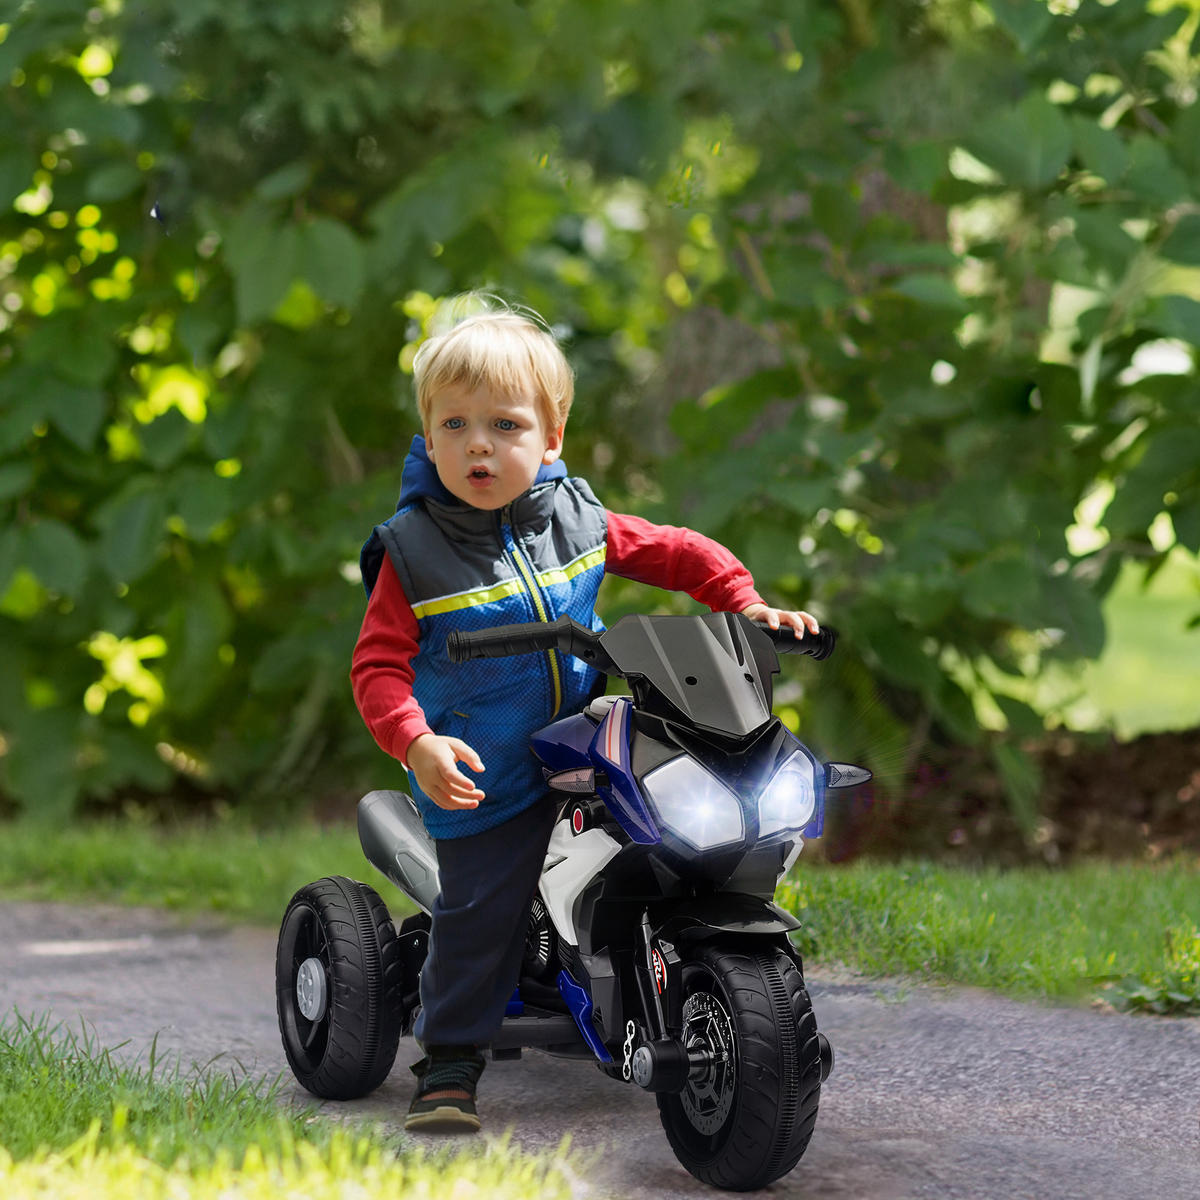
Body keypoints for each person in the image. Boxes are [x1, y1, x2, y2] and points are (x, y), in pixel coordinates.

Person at [351, 296, 819, 1133]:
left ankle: (655, 971)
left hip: (587, 739)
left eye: (504, 424)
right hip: (484, 770)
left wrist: (747, 608)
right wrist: (417, 741)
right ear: (427, 433)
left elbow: (678, 551)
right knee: (483, 906)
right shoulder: (414, 550)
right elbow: (378, 667)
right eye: (454, 425)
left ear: (552, 435)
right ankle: (452, 1061)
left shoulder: (579, 519)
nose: (479, 445)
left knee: (682, 831)